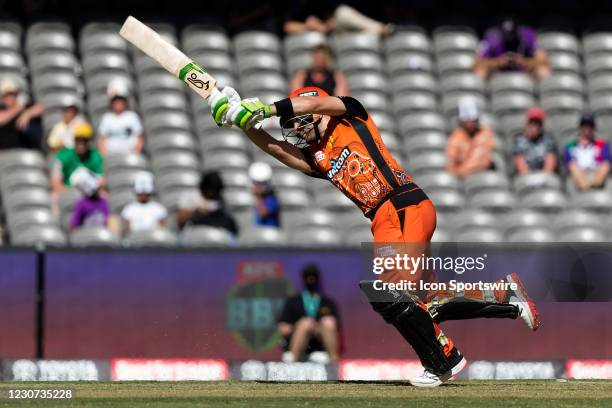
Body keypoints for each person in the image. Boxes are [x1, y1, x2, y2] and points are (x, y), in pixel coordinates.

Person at [207, 84, 539, 386]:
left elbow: (322, 100)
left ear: (312, 111)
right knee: (422, 304)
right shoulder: (317, 157)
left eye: (297, 121)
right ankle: (503, 295)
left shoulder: (350, 114)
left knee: (388, 293)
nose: (294, 130)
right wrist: (244, 123)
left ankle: (444, 360)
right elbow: (278, 151)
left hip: (401, 205)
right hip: (384, 217)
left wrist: (265, 110)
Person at [277, 264, 341, 363]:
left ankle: (334, 362)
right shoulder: (293, 301)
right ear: (303, 279)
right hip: (297, 341)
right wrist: (300, 326)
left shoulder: (327, 302)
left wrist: (316, 329)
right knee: (306, 323)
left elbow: (336, 327)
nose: (311, 280)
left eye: (313, 277)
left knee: (328, 322)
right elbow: (283, 327)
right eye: (308, 277)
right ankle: (293, 362)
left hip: (319, 344)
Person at [473, 18, 550, 80]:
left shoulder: (527, 36)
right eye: (506, 34)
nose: (509, 37)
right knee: (480, 71)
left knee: (543, 71)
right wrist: (499, 62)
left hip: (524, 72)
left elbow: (544, 61)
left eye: (511, 34)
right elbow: (477, 63)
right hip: (497, 72)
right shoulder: (492, 38)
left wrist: (523, 61)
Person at [177, 171, 239, 236]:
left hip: (216, 231)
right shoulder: (190, 196)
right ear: (206, 188)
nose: (215, 194)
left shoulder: (220, 199)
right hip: (194, 232)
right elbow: (180, 219)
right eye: (213, 191)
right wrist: (197, 210)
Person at [446, 98, 496, 177]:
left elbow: (484, 160)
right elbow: (451, 167)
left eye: (473, 120)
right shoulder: (455, 138)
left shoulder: (485, 133)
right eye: (467, 120)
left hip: (483, 175)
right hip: (463, 179)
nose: (470, 123)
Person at [51, 122, 105, 194]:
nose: (81, 145)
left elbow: (101, 182)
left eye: (84, 141)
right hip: (67, 193)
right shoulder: (63, 156)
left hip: (90, 194)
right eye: (78, 140)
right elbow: (56, 184)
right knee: (54, 195)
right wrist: (71, 192)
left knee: (104, 195)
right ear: (74, 140)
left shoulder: (95, 156)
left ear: (89, 142)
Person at [564, 113, 611, 191]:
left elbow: (606, 163)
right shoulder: (571, 146)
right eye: (584, 125)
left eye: (590, 126)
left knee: (605, 166)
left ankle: (594, 187)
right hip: (579, 176)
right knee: (573, 167)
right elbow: (569, 165)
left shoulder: (602, 145)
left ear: (593, 128)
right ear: (580, 127)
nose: (587, 128)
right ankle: (587, 189)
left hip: (596, 174)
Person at [97, 81, 144, 156]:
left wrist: (135, 156)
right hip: (111, 157)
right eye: (116, 99)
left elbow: (139, 138)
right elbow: (102, 140)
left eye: (121, 99)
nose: (118, 102)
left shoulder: (132, 116)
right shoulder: (106, 118)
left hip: (130, 157)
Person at [0, 79, 45, 150]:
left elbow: (41, 108)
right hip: (5, 152)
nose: (9, 97)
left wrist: (28, 114)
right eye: (6, 95)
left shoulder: (26, 106)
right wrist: (17, 109)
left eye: (11, 94)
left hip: (26, 151)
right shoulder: (4, 109)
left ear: (16, 94)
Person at [512, 107, 558, 175]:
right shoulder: (519, 140)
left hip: (544, 178)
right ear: (527, 123)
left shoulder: (548, 140)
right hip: (525, 178)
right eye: (532, 123)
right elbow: (520, 163)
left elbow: (550, 163)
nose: (534, 127)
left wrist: (542, 179)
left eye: (537, 124)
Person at [249, 161, 280, 228]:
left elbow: (263, 213)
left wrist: (258, 196)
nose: (259, 186)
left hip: (270, 232)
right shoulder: (249, 196)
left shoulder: (272, 198)